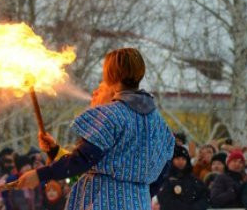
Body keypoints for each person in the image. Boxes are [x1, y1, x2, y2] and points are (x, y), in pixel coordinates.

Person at [16, 48, 174, 210]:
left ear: (110, 75)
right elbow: (161, 174)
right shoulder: (161, 125)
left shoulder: (111, 115)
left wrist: (40, 174)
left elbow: (83, 160)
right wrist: (135, 195)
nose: (95, 92)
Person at [157, 144, 208, 210]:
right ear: (172, 160)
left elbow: (204, 196)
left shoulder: (194, 180)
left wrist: (195, 208)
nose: (180, 162)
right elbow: (164, 199)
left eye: (183, 159)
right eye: (177, 158)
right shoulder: (165, 179)